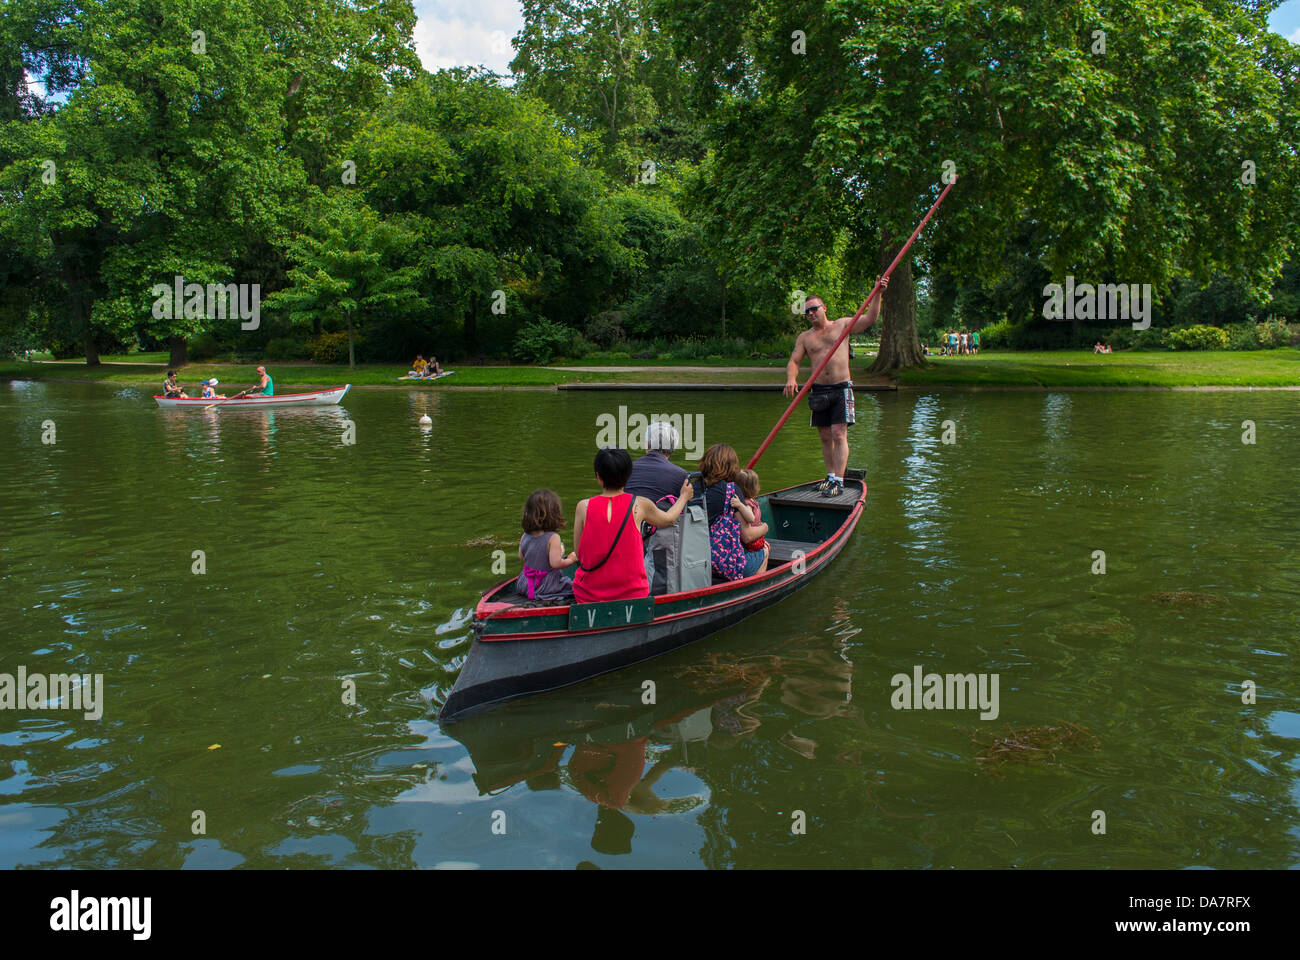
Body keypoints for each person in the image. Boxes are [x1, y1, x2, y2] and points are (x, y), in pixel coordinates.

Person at [783, 277, 889, 498]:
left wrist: (877, 293)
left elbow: (870, 318)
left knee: (839, 433)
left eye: (814, 309)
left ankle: (839, 481)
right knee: (824, 436)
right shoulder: (805, 338)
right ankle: (830, 476)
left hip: (841, 388)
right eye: (807, 312)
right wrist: (791, 379)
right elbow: (794, 361)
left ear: (824, 308)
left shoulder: (842, 325)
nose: (811, 314)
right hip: (819, 390)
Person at [570, 448, 694, 603]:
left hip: (589, 596)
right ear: (628, 476)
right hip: (632, 595)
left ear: (598, 477)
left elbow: (579, 553)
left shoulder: (583, 507)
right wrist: (683, 497)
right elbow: (669, 519)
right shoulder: (640, 505)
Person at [698, 444, 769, 578]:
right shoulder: (731, 490)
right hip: (720, 562)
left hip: (695, 561)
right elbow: (747, 536)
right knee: (764, 551)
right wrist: (765, 527)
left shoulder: (693, 487)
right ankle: (753, 592)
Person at [516, 489, 576, 602]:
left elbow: (522, 556)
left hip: (525, 584)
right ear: (554, 514)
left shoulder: (525, 534)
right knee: (570, 585)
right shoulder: (553, 537)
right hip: (544, 586)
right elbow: (556, 563)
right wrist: (571, 559)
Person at [626, 420, 689, 509]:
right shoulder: (682, 475)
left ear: (647, 444)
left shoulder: (625, 469)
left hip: (625, 520)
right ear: (673, 448)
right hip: (661, 521)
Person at [735, 468, 769, 556]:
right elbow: (751, 518)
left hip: (755, 539)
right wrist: (740, 505)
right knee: (767, 549)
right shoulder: (747, 504)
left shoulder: (749, 501)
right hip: (752, 543)